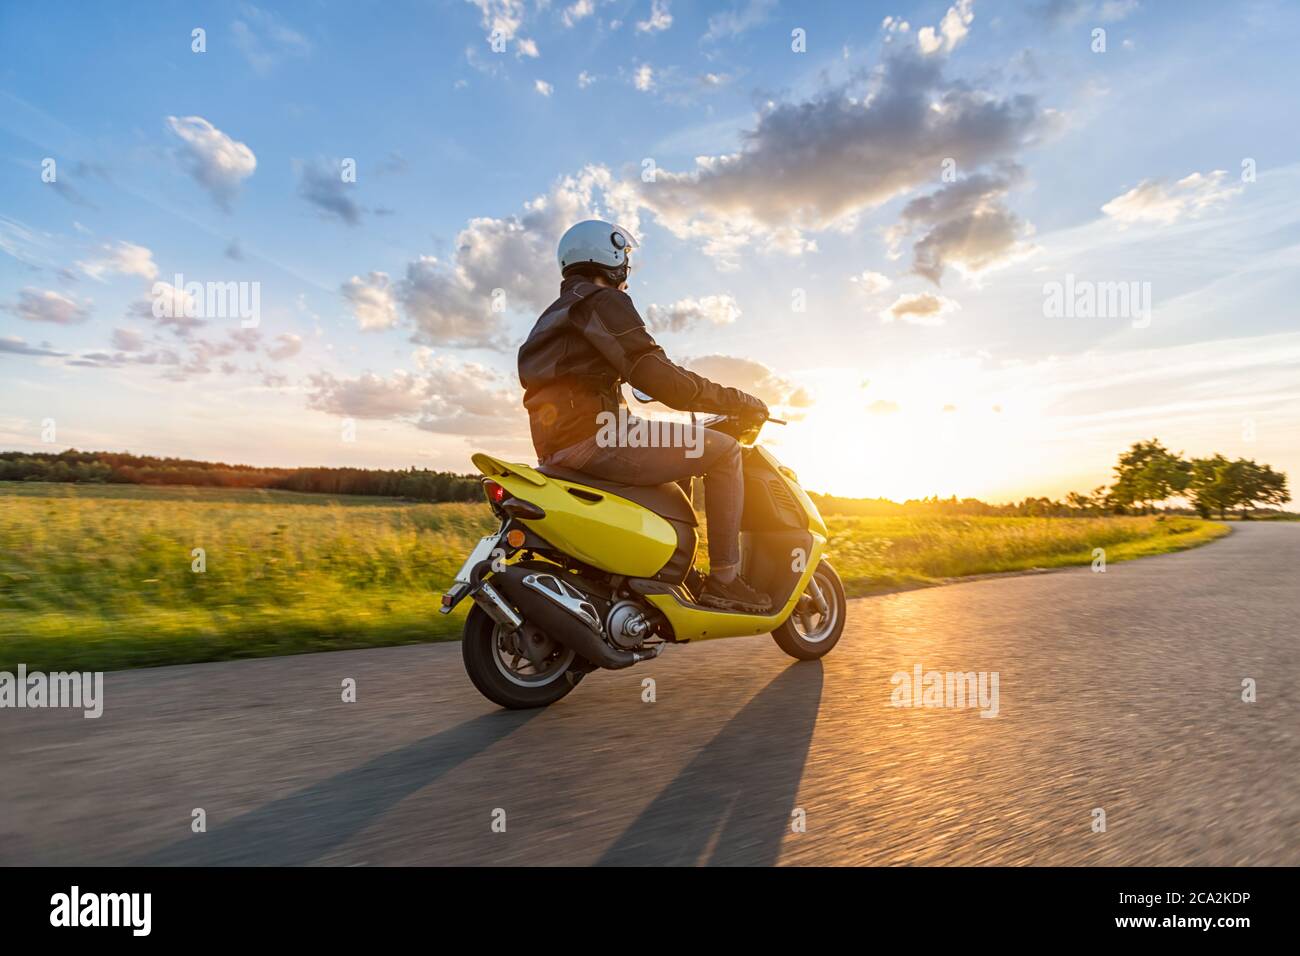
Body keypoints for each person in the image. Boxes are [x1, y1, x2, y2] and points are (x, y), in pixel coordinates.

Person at [517, 219, 772, 612]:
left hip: (555, 448)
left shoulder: (553, 316)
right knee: (723, 451)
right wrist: (736, 400)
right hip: (601, 437)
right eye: (625, 260)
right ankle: (726, 580)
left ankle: (671, 571)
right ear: (610, 255)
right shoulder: (603, 301)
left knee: (678, 460)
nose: (627, 273)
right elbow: (659, 376)